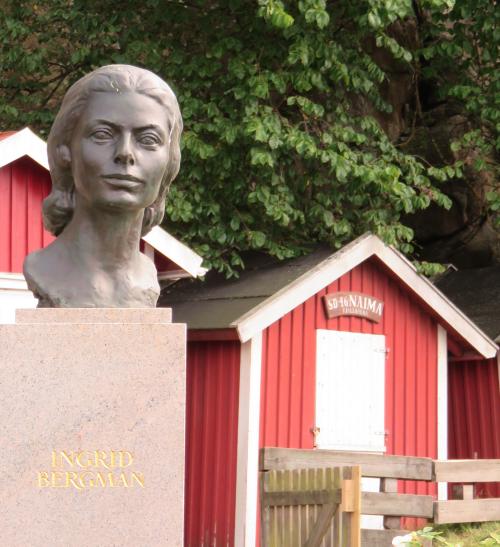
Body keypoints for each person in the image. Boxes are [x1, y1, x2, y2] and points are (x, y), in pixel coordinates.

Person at [23, 64, 183, 307]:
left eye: (148, 139)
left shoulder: (146, 279)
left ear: (169, 162)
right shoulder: (44, 269)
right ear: (65, 150)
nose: (125, 154)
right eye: (102, 134)